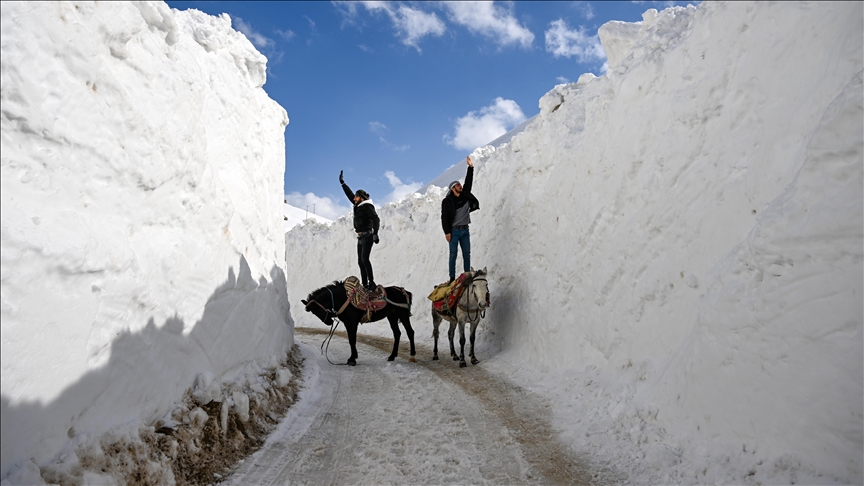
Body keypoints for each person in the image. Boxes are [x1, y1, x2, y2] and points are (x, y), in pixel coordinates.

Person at [441, 156, 479, 283]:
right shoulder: (447, 201)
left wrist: (470, 167)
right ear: (453, 189)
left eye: (460, 184)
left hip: (465, 231)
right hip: (454, 231)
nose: (460, 186)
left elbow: (469, 181)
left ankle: (467, 274)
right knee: (453, 254)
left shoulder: (465, 195)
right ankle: (452, 278)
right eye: (457, 185)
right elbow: (444, 217)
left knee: (466, 254)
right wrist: (447, 232)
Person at [340, 171, 380, 290]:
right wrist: (343, 184)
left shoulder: (367, 206)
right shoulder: (358, 205)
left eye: (357, 197)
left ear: (362, 198)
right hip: (360, 237)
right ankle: (365, 284)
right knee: (360, 261)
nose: (354, 198)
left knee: (364, 259)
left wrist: (376, 233)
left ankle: (371, 282)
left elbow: (375, 218)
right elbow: (349, 194)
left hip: (368, 236)